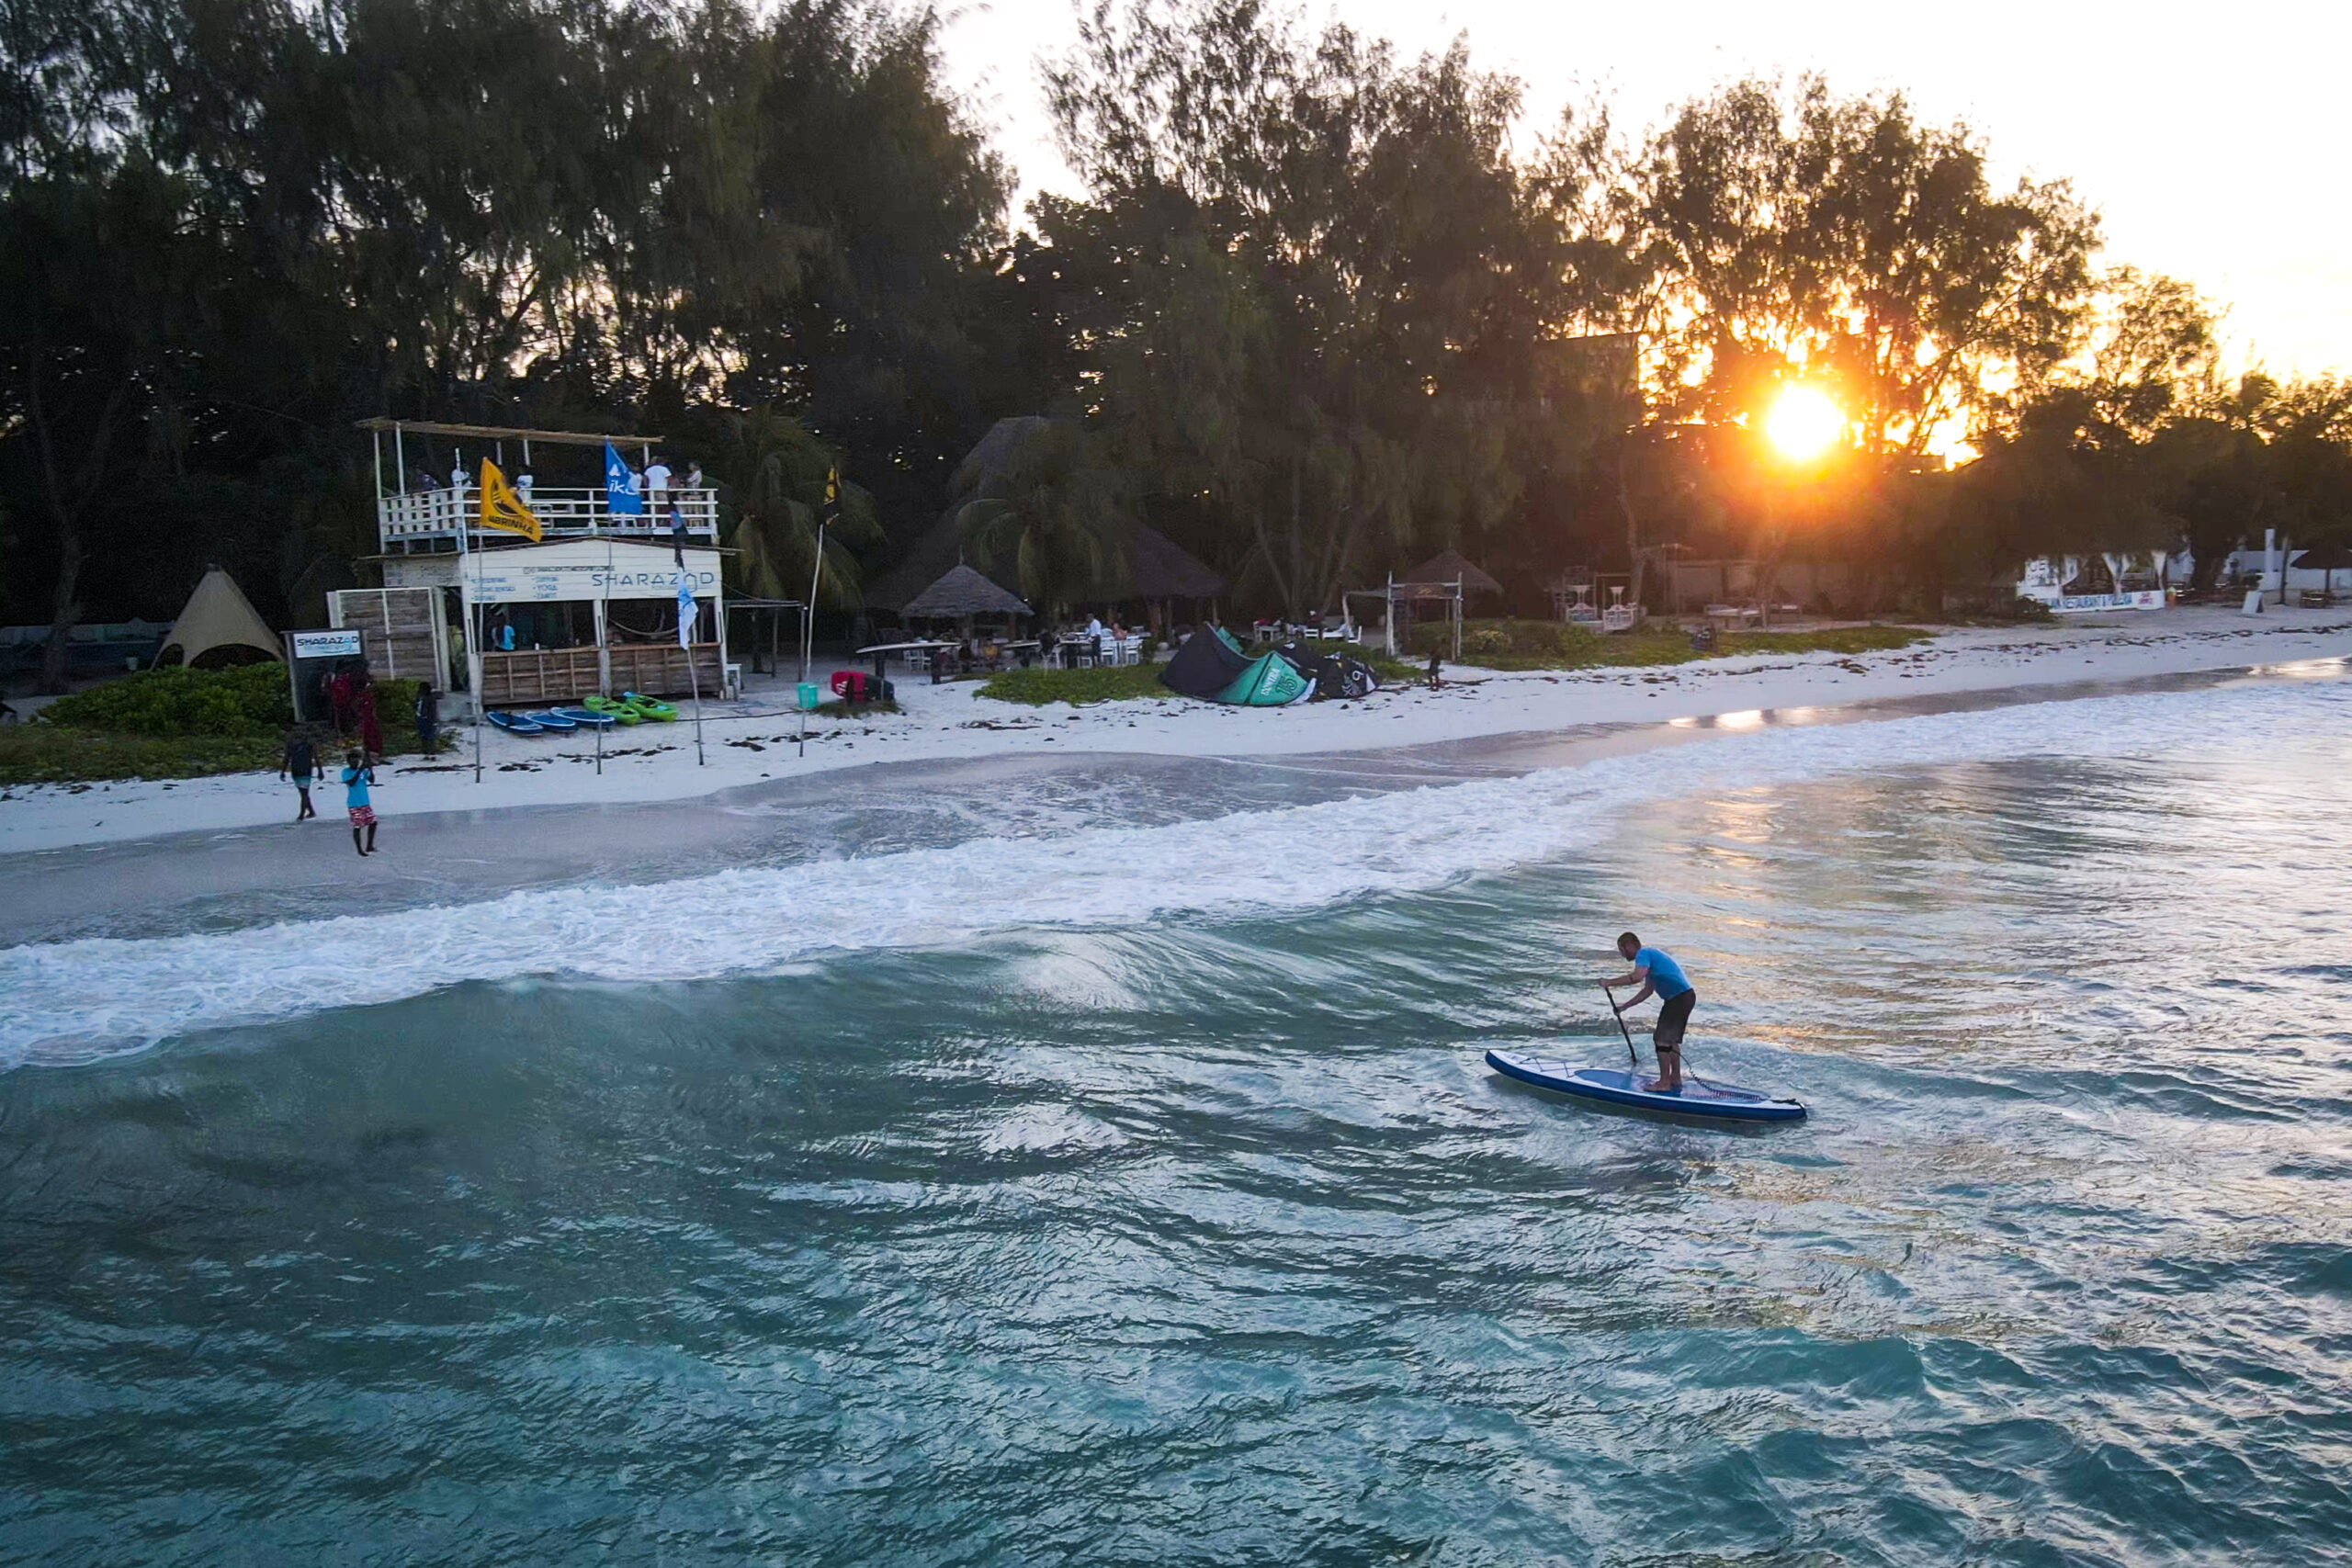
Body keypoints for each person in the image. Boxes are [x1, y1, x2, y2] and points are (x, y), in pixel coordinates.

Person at [1598, 931, 1696, 1092]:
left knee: (1661, 1040)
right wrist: (1625, 1006)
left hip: (1679, 998)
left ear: (1628, 945)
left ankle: (1664, 1083)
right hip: (1682, 998)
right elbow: (1647, 991)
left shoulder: (1644, 953)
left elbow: (1636, 977)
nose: (1622, 955)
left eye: (1621, 950)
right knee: (1670, 1040)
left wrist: (1609, 982)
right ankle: (1675, 1079)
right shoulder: (1651, 961)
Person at [342, 749, 378, 857]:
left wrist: (369, 768)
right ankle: (359, 849)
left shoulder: (362, 771)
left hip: (365, 802)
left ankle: (369, 845)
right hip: (354, 804)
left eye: (356, 760)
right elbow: (351, 783)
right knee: (358, 826)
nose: (355, 763)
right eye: (353, 761)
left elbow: (372, 780)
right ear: (348, 762)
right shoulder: (346, 772)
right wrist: (360, 770)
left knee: (373, 822)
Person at [279, 730, 319, 821]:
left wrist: (320, 771)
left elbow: (316, 757)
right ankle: (311, 811)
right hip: (296, 771)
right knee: (303, 793)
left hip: (305, 771)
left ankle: (301, 814)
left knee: (304, 793)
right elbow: (286, 759)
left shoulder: (309, 745)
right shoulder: (291, 746)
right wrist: (283, 772)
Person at [414, 683, 440, 753]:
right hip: (420, 717)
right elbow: (415, 705)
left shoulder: (430, 698)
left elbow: (432, 710)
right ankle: (425, 749)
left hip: (428, 719)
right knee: (423, 734)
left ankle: (432, 750)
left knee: (430, 735)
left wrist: (432, 719)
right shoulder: (419, 697)